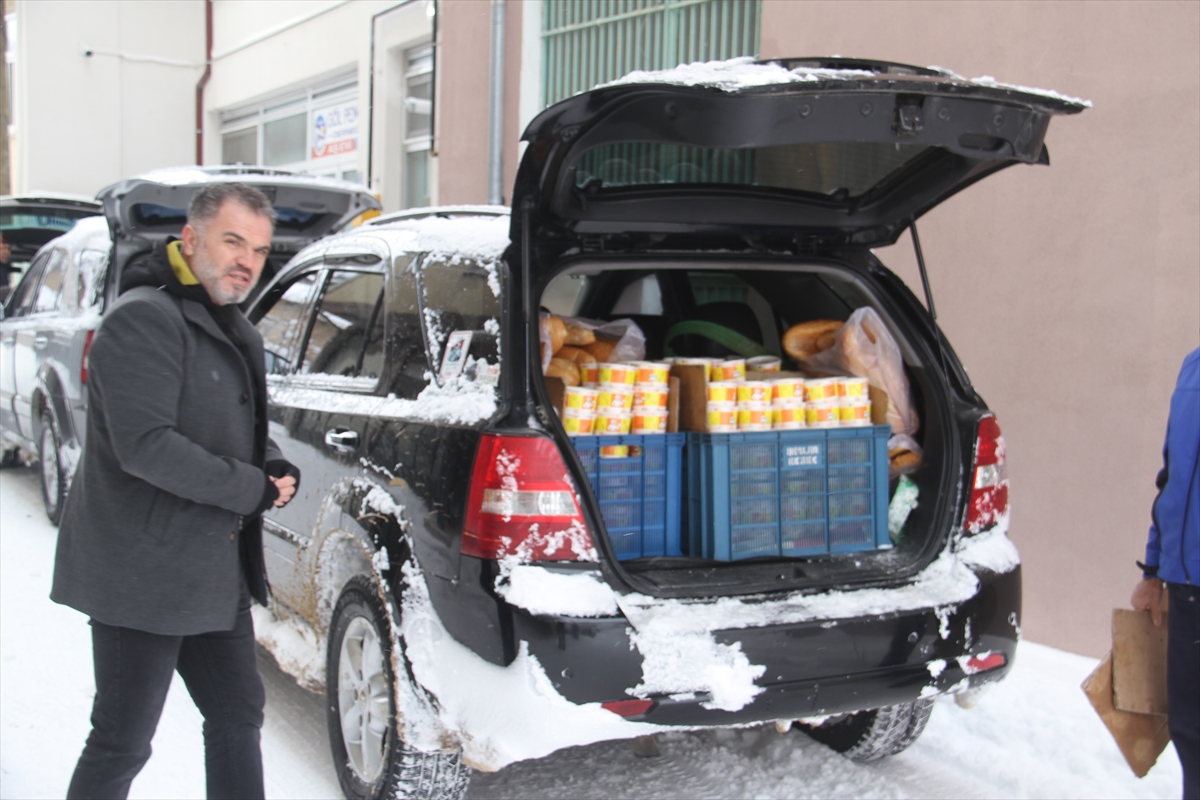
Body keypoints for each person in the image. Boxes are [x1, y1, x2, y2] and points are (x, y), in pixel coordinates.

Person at [51, 183, 300, 800]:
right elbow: (146, 445)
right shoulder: (143, 318)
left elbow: (224, 420)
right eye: (233, 241)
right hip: (142, 575)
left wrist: (267, 461)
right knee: (123, 740)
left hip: (211, 572)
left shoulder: (224, 319)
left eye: (259, 250)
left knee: (237, 716)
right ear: (190, 240)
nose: (247, 261)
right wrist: (250, 488)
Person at [1131, 347, 1199, 800]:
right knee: (1189, 729)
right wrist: (1154, 570)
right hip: (1186, 588)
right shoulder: (1193, 365)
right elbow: (1172, 477)